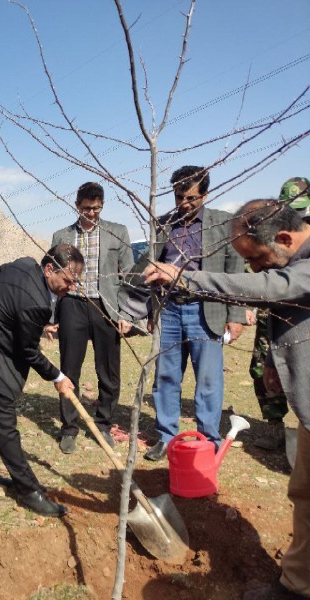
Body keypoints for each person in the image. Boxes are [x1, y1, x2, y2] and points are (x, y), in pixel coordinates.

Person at [143, 199, 310, 599]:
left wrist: (187, 278)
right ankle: (297, 584)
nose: (252, 268)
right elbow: (290, 310)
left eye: (256, 259)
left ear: (285, 238)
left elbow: (277, 288)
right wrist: (274, 360)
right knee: (303, 492)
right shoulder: (289, 254)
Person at [0, 244, 83, 517]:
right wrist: (58, 377)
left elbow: (1, 272)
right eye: (68, 280)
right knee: (4, 424)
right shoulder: (35, 303)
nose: (71, 287)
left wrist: (24, 318)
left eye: (76, 282)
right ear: (49, 269)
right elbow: (29, 351)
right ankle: (29, 491)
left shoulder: (24, 264)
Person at [136, 166, 247, 461]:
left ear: (205, 194)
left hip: (205, 310)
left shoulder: (222, 224)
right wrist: (152, 311)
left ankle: (208, 439)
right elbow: (151, 269)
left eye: (191, 197)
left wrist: (236, 315)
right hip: (168, 310)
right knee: (166, 377)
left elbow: (235, 271)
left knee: (209, 379)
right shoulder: (162, 225)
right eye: (179, 197)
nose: (184, 203)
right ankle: (166, 438)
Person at [49, 182, 134, 454]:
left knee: (108, 371)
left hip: (106, 307)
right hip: (71, 306)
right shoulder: (61, 236)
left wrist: (127, 313)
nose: (92, 213)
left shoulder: (117, 233)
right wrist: (51, 315)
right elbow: (51, 278)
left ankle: (104, 425)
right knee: (69, 369)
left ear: (102, 205)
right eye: (86, 208)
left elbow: (129, 275)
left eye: (96, 208)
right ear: (77, 205)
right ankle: (70, 428)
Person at [249, 177, 310, 452]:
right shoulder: (272, 229)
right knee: (263, 368)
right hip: (271, 310)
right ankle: (275, 427)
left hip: (301, 316)